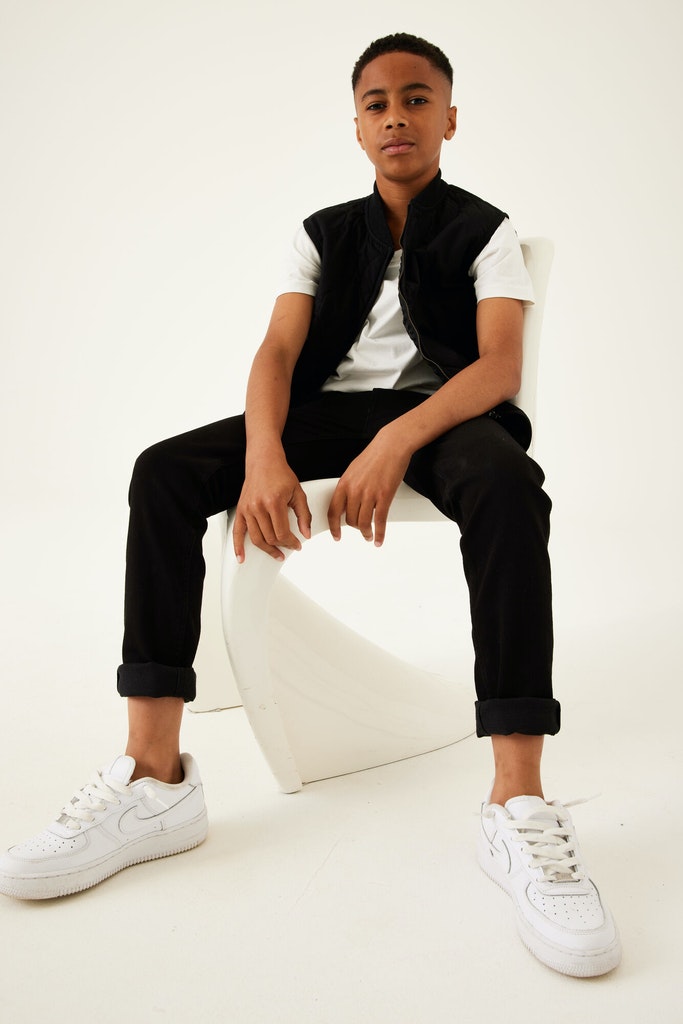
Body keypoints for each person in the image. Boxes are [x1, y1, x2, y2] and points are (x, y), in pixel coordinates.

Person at [0, 33, 620, 977]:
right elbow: (279, 355)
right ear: (358, 127)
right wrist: (263, 455)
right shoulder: (323, 233)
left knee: (507, 488)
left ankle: (517, 800)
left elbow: (499, 367)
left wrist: (396, 440)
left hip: (446, 415)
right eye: (376, 103)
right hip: (323, 417)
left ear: (450, 119)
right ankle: (154, 777)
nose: (396, 116)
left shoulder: (485, 231)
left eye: (416, 99)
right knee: (162, 472)